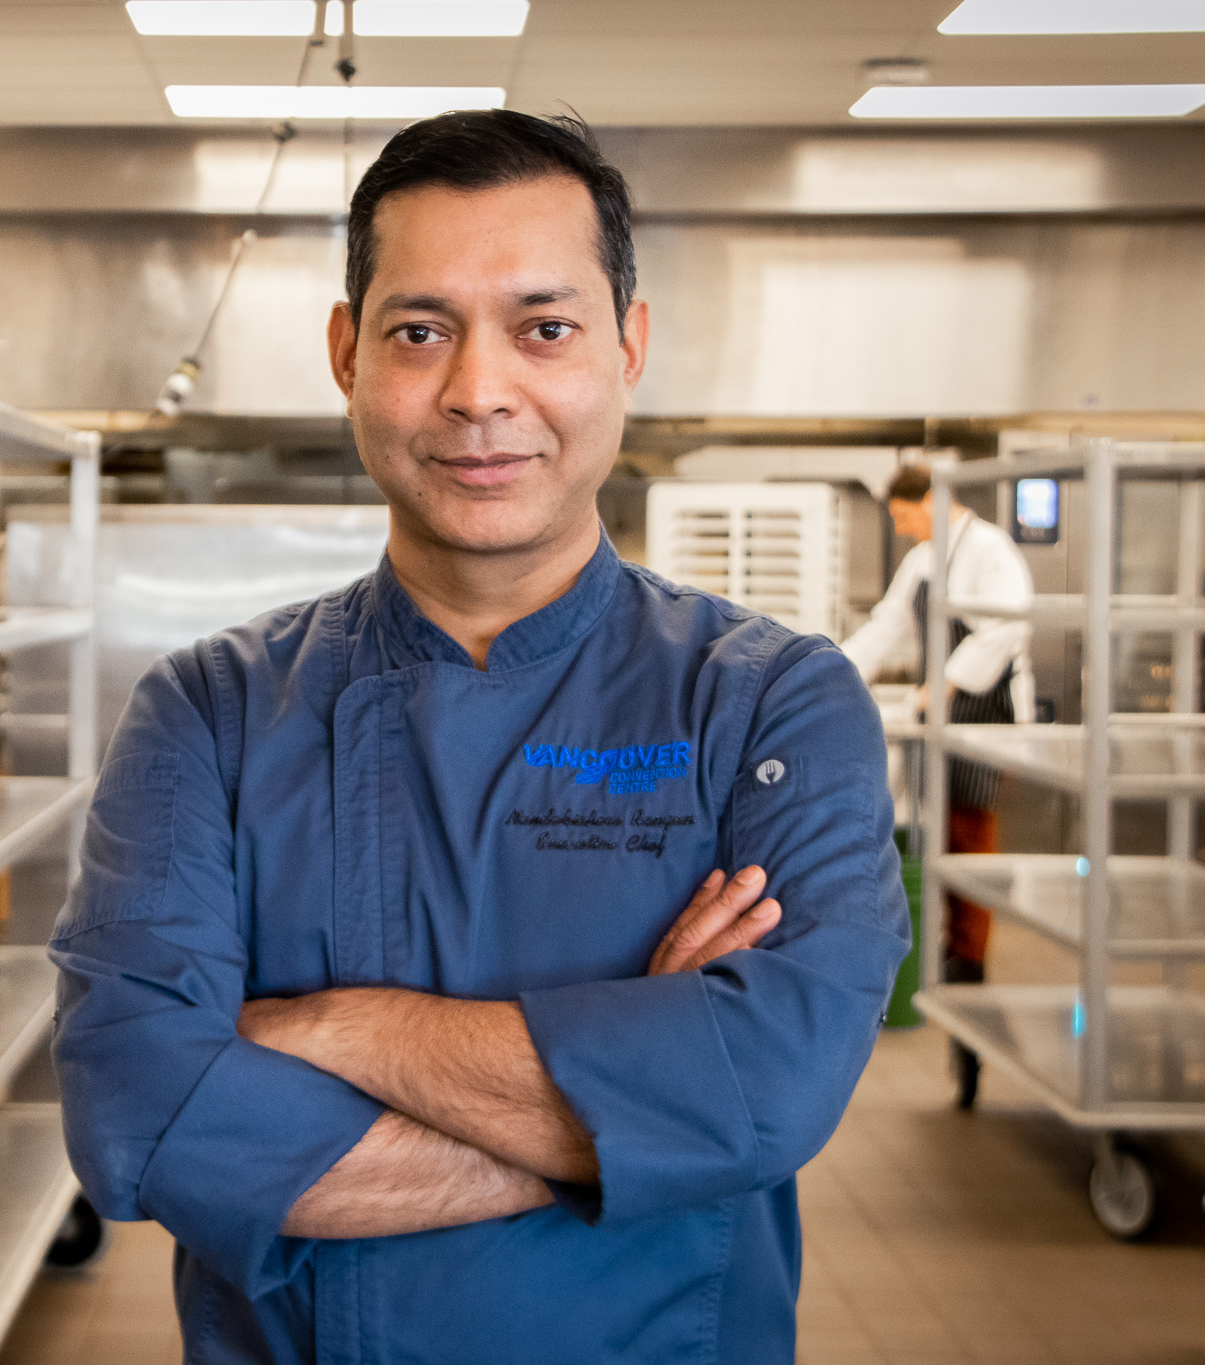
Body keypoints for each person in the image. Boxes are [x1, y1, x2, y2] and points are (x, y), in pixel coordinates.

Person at [50, 110, 908, 1364]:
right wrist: (639, 1105)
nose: (477, 392)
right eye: (418, 331)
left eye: (542, 327)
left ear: (628, 345)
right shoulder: (209, 714)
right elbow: (143, 1115)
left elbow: (770, 1084)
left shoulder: (769, 702)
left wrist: (340, 1029)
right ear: (346, 354)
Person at [841, 463, 1033, 985]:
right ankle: (947, 946)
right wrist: (834, 672)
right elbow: (888, 623)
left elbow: (1008, 625)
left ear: (930, 501)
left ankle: (970, 957)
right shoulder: (924, 558)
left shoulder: (991, 550)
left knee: (970, 831)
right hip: (942, 711)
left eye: (904, 516)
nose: (901, 528)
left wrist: (945, 681)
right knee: (940, 831)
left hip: (984, 708)